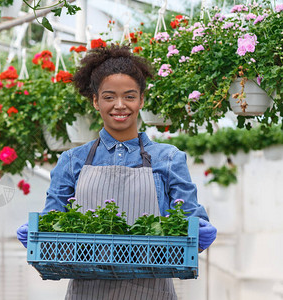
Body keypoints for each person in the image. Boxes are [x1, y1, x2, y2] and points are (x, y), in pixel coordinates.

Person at [17, 44, 217, 299]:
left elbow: (187, 217)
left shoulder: (168, 159)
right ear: (95, 100)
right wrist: (39, 232)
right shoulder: (71, 161)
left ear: (142, 100)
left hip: (153, 292)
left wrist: (197, 229)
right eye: (109, 97)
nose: (120, 105)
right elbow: (54, 221)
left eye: (130, 96)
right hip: (87, 292)